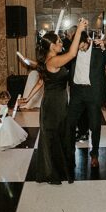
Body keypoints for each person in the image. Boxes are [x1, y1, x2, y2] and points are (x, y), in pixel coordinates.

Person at [31, 22, 87, 185]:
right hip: (55, 105)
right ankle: (55, 173)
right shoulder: (53, 61)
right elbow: (72, 54)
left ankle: (55, 170)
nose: (62, 44)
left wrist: (27, 98)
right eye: (59, 42)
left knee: (55, 137)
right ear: (52, 47)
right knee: (56, 137)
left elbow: (41, 83)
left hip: (54, 102)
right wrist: (79, 31)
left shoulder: (47, 59)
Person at [65, 30, 106, 168]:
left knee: (95, 126)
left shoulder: (98, 52)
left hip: (92, 93)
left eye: (81, 46)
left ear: (87, 41)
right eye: (77, 46)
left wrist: (104, 48)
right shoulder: (73, 52)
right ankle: (70, 151)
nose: (79, 49)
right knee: (70, 123)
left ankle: (94, 154)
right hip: (77, 92)